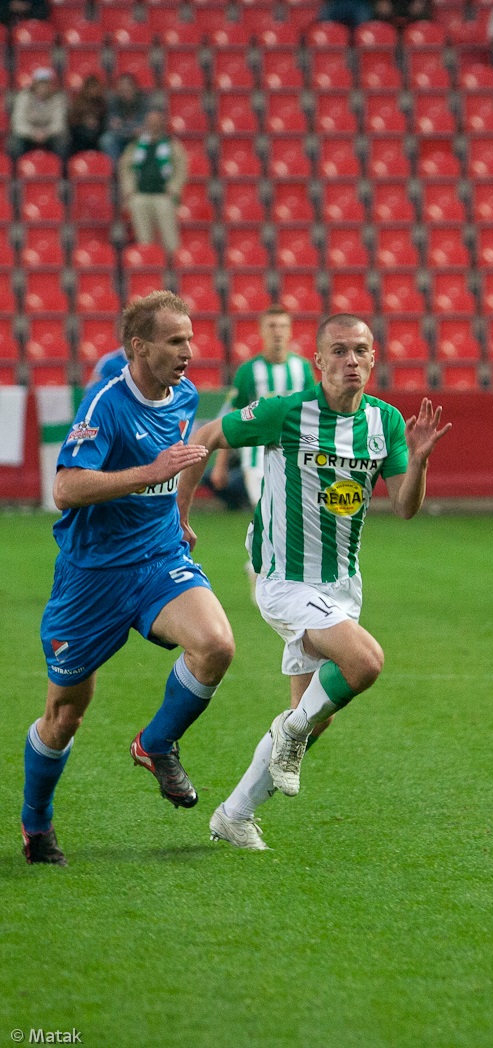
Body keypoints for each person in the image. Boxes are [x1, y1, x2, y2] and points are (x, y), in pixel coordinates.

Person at [177, 313, 451, 851]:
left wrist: (417, 463)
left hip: (341, 584)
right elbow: (207, 435)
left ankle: (234, 815)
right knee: (365, 662)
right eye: (340, 351)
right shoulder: (285, 413)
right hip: (282, 579)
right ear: (319, 360)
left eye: (361, 351)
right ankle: (290, 733)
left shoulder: (387, 423)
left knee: (312, 717)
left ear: (374, 359)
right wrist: (180, 515)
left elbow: (405, 507)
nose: (351, 361)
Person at [21, 291, 235, 866]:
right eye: (175, 341)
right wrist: (148, 473)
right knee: (65, 714)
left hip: (157, 560)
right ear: (138, 347)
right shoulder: (107, 404)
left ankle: (156, 743)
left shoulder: (185, 394)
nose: (189, 351)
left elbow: (184, 459)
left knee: (216, 645)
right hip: (91, 579)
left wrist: (181, 516)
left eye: (190, 339)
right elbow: (65, 489)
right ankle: (36, 823)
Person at [208, 306, 315, 594]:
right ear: (262, 332)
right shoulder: (248, 373)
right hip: (256, 458)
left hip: (295, 454)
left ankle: (261, 563)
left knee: (289, 515)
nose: (277, 332)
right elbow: (229, 420)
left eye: (282, 326)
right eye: (272, 326)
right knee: (268, 510)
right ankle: (269, 569)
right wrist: (220, 465)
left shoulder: (302, 369)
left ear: (290, 331)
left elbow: (312, 413)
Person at [118, 109, 187, 254]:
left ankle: (172, 264)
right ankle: (148, 263)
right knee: (144, 238)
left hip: (163, 195)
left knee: (170, 238)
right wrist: (129, 189)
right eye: (150, 122)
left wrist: (174, 187)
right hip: (140, 195)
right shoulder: (136, 145)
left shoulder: (171, 145)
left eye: (156, 122)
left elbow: (181, 168)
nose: (153, 125)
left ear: (162, 123)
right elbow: (125, 167)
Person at [8, 67, 69, 161]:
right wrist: (33, 132)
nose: (43, 87)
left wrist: (46, 132)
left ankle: (60, 171)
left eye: (46, 84)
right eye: (40, 83)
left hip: (49, 134)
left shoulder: (58, 99)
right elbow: (18, 123)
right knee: (14, 142)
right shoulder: (23, 97)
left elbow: (59, 124)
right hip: (28, 134)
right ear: (34, 84)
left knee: (62, 141)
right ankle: (16, 171)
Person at [99, 73, 149, 165]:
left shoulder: (144, 101)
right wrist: (129, 127)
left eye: (127, 87)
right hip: (120, 136)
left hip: (137, 137)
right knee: (106, 139)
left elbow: (144, 125)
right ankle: (117, 171)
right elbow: (110, 124)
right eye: (121, 88)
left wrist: (125, 126)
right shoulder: (113, 102)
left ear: (134, 87)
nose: (124, 91)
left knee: (145, 138)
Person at [67, 73, 107, 157]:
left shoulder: (103, 103)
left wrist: (96, 123)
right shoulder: (78, 102)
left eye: (95, 87)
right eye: (91, 88)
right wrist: (84, 121)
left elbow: (106, 120)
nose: (93, 90)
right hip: (80, 131)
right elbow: (71, 121)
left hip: (98, 131)